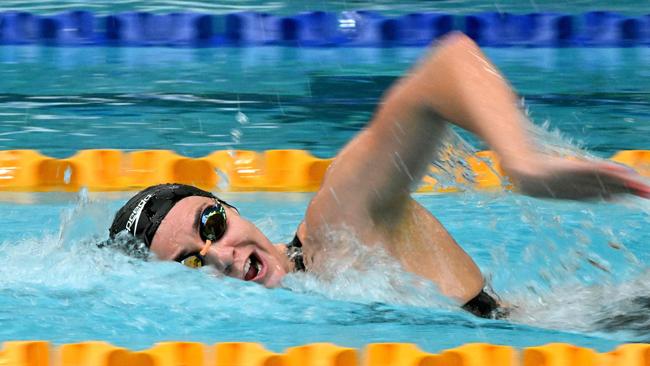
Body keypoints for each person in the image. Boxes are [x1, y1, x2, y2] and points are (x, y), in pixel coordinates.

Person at [108, 33, 650, 319]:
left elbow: (447, 66)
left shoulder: (337, 224)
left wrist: (523, 164)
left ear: (228, 207)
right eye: (193, 263)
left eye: (210, 226)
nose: (223, 255)